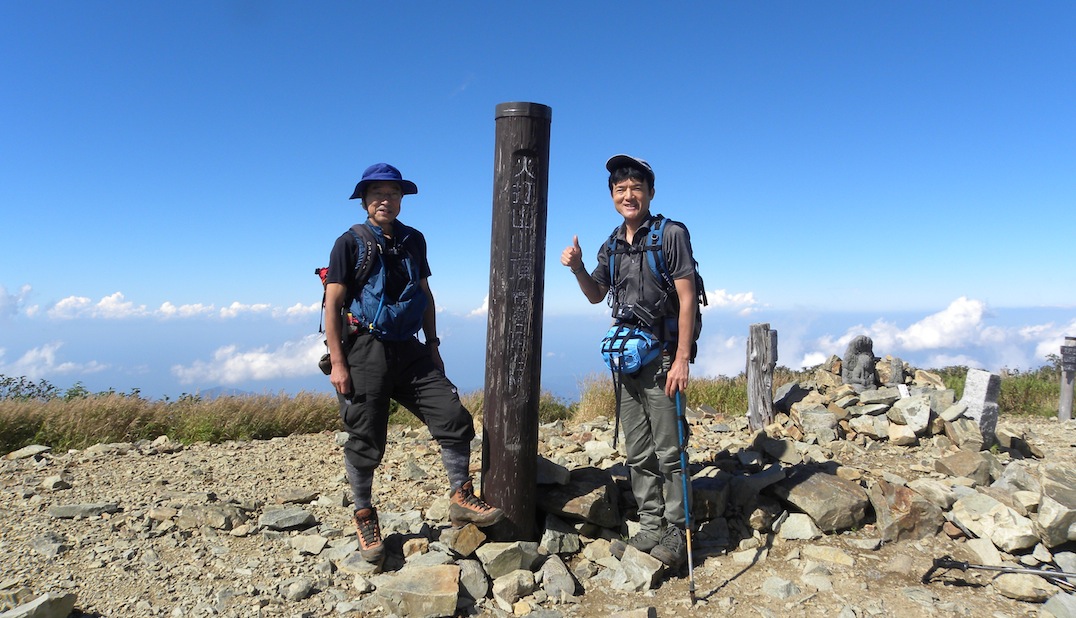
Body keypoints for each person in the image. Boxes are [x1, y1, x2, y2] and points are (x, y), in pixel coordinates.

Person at [323, 162, 504, 565]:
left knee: (453, 415)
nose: (384, 200)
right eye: (376, 194)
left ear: (402, 199)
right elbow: (332, 304)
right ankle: (365, 515)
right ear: (365, 201)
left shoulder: (413, 240)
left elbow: (425, 293)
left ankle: (460, 494)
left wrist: (434, 345)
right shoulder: (348, 243)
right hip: (365, 348)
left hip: (410, 348)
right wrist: (338, 362)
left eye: (392, 193)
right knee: (366, 436)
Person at [560, 154, 698, 570]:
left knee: (670, 452)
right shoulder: (613, 244)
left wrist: (682, 359)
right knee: (638, 451)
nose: (628, 194)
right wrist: (579, 267)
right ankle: (652, 523)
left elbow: (688, 297)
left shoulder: (670, 235)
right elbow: (594, 294)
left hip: (662, 360)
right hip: (627, 360)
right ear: (612, 196)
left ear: (651, 192)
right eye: (620, 189)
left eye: (636, 187)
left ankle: (678, 529)